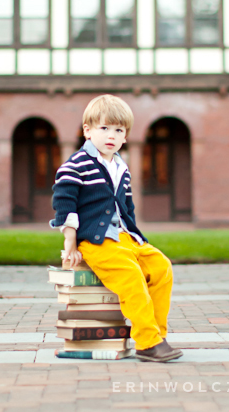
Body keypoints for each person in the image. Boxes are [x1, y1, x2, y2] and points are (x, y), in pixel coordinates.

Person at [49, 94, 182, 362]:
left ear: (125, 137)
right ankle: (147, 343)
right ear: (87, 131)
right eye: (104, 128)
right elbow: (65, 205)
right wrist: (70, 244)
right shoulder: (76, 165)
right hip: (97, 241)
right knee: (131, 277)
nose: (111, 135)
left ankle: (157, 334)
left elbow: (127, 209)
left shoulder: (122, 167)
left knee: (162, 267)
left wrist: (138, 240)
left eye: (118, 130)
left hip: (126, 238)